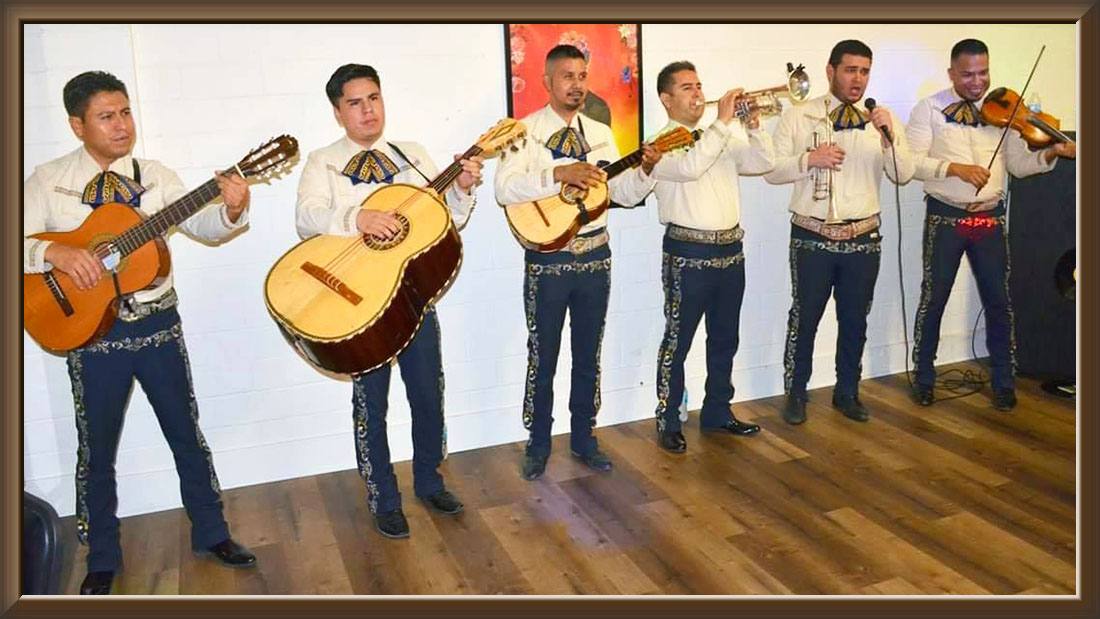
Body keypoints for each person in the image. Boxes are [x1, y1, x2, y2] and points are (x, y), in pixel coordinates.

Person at [23, 70, 258, 595]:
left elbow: (205, 225)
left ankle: (212, 533)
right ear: (77, 124)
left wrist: (234, 206)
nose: (122, 125)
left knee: (186, 434)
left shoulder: (155, 177)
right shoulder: (48, 179)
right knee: (96, 447)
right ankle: (101, 556)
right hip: (92, 336)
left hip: (158, 324)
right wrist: (54, 252)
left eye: (126, 112)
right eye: (107, 116)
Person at [295, 63, 483, 539]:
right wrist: (357, 215)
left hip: (414, 298)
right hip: (358, 306)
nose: (368, 110)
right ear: (338, 112)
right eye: (355, 102)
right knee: (370, 404)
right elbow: (306, 217)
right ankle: (383, 495)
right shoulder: (323, 162)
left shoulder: (413, 155)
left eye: (374, 98)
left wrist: (461, 189)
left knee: (427, 394)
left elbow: (446, 222)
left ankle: (429, 480)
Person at [494, 44, 661, 480]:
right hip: (548, 260)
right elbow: (505, 190)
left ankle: (585, 436)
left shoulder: (601, 132)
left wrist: (646, 171)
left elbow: (620, 195)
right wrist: (557, 174)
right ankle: (539, 442)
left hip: (596, 255)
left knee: (589, 353)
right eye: (567, 76)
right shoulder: (522, 132)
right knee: (543, 354)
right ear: (547, 83)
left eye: (582, 75)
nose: (577, 84)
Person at [905, 39, 1075, 410]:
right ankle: (924, 377)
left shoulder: (1005, 112)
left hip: (991, 218)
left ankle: (1003, 381)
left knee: (1000, 301)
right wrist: (954, 168)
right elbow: (910, 163)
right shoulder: (929, 110)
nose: (977, 82)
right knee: (934, 299)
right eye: (968, 75)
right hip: (946, 216)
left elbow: (1018, 165)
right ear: (952, 73)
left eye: (983, 73)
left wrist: (1050, 153)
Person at [764, 40, 915, 425]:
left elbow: (904, 175)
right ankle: (796, 393)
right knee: (805, 317)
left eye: (865, 71)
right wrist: (807, 159)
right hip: (813, 235)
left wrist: (887, 138)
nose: (858, 79)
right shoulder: (801, 116)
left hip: (864, 237)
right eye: (851, 70)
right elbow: (771, 170)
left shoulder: (882, 118)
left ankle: (847, 391)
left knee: (855, 320)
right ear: (831, 71)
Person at [647, 61, 775, 453]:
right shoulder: (658, 145)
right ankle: (669, 418)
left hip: (730, 249)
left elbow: (763, 163)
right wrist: (722, 123)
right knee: (678, 340)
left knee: (725, 338)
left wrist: (753, 126)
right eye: (687, 87)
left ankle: (718, 409)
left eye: (699, 84)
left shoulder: (718, 137)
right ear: (667, 99)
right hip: (687, 252)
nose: (698, 93)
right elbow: (690, 167)